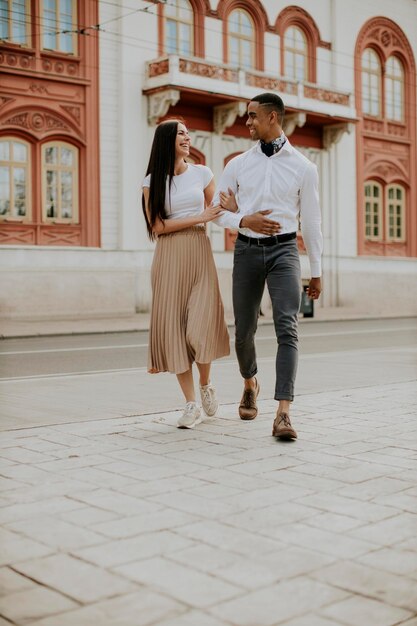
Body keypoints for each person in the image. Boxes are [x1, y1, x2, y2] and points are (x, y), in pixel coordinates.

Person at [214, 92, 323, 440]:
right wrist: (244, 219)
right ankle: (250, 383)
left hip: (284, 252)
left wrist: (317, 270)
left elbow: (313, 222)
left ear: (272, 117)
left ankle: (284, 413)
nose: (246, 122)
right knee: (243, 331)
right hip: (246, 251)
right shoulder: (237, 164)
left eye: (252, 116)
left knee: (286, 328)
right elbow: (218, 212)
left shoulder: (304, 167)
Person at [142, 119, 230, 429]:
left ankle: (206, 383)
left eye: (188, 133)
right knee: (175, 332)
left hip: (198, 251)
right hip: (168, 256)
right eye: (181, 133)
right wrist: (200, 215)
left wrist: (238, 213)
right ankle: (191, 403)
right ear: (167, 140)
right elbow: (157, 226)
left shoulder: (203, 172)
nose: (187, 138)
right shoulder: (152, 181)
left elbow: (219, 211)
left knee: (199, 326)